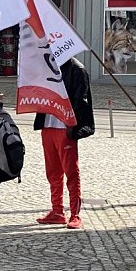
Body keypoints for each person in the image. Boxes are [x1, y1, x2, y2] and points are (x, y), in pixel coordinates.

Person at [33, 57, 95, 230]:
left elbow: (81, 100)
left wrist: (72, 124)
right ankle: (57, 211)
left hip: (65, 127)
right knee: (52, 171)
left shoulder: (77, 69)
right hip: (48, 124)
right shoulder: (47, 66)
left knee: (71, 171)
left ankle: (75, 214)